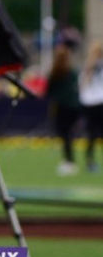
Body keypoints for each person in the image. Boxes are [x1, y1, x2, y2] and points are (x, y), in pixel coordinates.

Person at [46, 43, 81, 176]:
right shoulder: (71, 73)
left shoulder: (56, 73)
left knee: (65, 135)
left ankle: (69, 161)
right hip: (73, 107)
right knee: (68, 135)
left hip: (62, 108)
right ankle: (69, 160)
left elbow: (48, 92)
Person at [79, 41, 103, 173]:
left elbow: (82, 86)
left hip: (89, 102)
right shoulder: (91, 66)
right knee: (92, 134)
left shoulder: (88, 66)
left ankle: (90, 162)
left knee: (91, 134)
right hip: (97, 102)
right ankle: (90, 162)